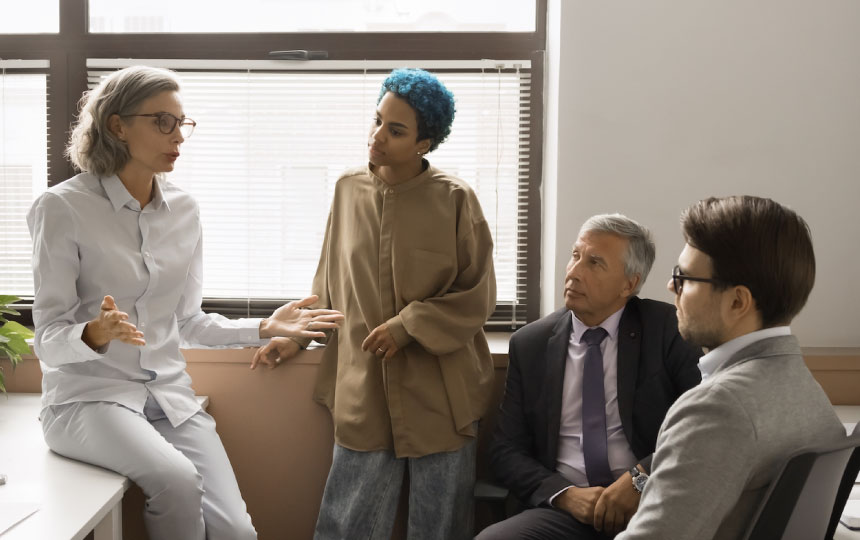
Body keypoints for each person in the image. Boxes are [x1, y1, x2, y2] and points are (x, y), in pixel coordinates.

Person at [27, 65, 343, 540]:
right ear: (117, 125)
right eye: (162, 122)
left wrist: (263, 328)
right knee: (177, 482)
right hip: (88, 400)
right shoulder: (61, 208)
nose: (178, 136)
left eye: (181, 123)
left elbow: (188, 321)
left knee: (237, 531)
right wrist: (94, 334)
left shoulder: (185, 210)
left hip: (170, 396)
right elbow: (46, 339)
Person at [252, 68, 496, 539]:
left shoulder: (457, 200)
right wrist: (298, 339)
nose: (377, 137)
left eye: (396, 130)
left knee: (439, 528)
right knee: (346, 526)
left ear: (425, 142)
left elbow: (476, 294)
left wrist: (409, 325)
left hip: (441, 395)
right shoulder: (348, 190)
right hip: (364, 387)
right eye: (377, 120)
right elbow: (329, 282)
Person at [617, 196, 846, 540]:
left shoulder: (716, 408)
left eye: (685, 277)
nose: (671, 286)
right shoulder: (803, 386)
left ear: (737, 302)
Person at [478, 214, 702, 539]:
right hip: (567, 511)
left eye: (595, 263)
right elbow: (506, 449)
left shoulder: (669, 330)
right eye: (575, 256)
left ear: (629, 284)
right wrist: (565, 495)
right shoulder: (532, 344)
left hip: (649, 504)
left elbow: (697, 428)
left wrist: (639, 479)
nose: (574, 272)